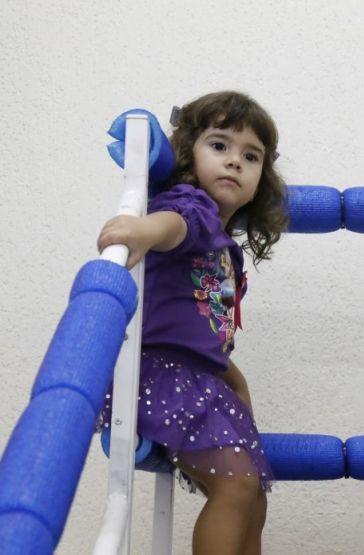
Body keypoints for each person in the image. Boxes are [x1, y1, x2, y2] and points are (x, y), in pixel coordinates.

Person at [97, 90, 288, 555]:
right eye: (219, 146)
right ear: (188, 154)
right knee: (236, 486)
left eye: (250, 156)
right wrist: (143, 230)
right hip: (160, 375)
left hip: (199, 379)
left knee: (252, 499)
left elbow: (208, 330)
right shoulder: (192, 205)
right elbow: (174, 224)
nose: (234, 163)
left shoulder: (226, 248)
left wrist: (231, 376)